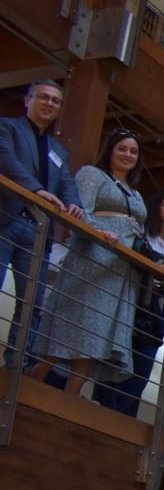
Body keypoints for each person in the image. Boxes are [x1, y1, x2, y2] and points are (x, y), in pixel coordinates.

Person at [33, 129, 153, 401]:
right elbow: (80, 211)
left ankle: (71, 397)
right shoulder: (92, 174)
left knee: (99, 334)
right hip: (91, 260)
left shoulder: (135, 194)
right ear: (110, 150)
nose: (127, 155)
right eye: (122, 148)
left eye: (133, 151)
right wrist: (99, 232)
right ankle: (35, 380)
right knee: (75, 323)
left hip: (121, 271)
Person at [0, 80, 86, 368]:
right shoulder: (7, 128)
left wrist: (75, 205)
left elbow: (67, 184)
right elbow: (7, 162)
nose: (50, 103)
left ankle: (17, 366)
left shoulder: (58, 150)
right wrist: (36, 190)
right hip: (6, 221)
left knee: (32, 304)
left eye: (56, 101)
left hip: (38, 232)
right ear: (28, 100)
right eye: (44, 98)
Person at [96, 188, 164, 416]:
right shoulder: (144, 234)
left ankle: (124, 424)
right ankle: (102, 415)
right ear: (158, 207)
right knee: (115, 364)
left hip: (155, 314)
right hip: (130, 303)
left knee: (140, 375)